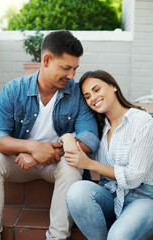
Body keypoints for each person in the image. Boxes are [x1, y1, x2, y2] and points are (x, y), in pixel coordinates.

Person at [0, 31, 99, 240]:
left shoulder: (77, 93)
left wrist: (44, 153)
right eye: (66, 68)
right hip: (20, 163)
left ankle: (57, 237)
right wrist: (32, 147)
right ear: (47, 60)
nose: (71, 75)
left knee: (72, 163)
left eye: (75, 68)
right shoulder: (13, 90)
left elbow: (89, 139)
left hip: (55, 164)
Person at [63, 70, 153, 240]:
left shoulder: (142, 121)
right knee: (76, 191)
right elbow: (72, 140)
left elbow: (134, 177)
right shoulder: (98, 128)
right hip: (111, 197)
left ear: (113, 86)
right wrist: (66, 136)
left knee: (118, 236)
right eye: (87, 96)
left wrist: (89, 164)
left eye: (97, 90)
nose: (93, 98)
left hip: (145, 198)